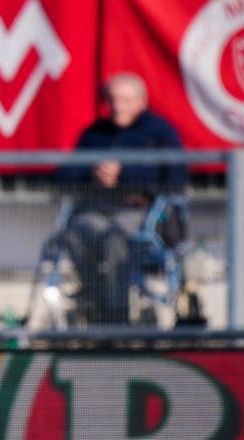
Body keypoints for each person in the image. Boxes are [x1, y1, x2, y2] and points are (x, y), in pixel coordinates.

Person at [55, 72, 187, 325]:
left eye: (125, 100)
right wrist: (93, 172)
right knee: (76, 232)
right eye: (113, 100)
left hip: (142, 213)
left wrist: (125, 174)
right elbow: (66, 173)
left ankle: (116, 319)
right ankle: (96, 300)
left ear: (142, 101)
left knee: (115, 240)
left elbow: (175, 175)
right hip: (98, 209)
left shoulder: (159, 132)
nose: (118, 107)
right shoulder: (95, 134)